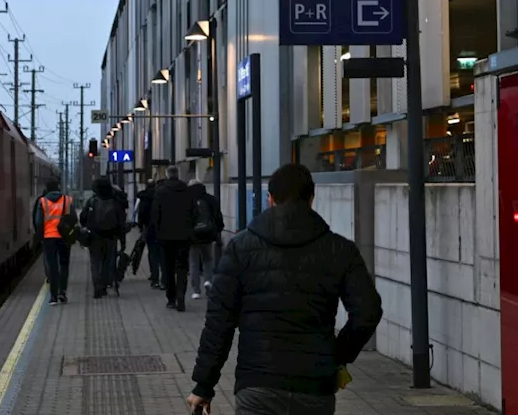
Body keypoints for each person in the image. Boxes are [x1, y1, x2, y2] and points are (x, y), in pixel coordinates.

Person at [187, 164, 383, 414]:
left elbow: (219, 321)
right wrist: (336, 355)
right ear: (312, 198)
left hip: (257, 384)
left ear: (270, 199)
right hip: (314, 385)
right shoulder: (339, 249)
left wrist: (204, 385)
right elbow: (368, 312)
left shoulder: (240, 248)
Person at [152, 167, 196, 311]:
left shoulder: (160, 192)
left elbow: (156, 215)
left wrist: (157, 232)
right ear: (178, 175)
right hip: (184, 236)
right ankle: (181, 296)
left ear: (166, 175)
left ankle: (171, 298)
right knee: (182, 267)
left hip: (166, 236)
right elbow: (194, 213)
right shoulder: (188, 191)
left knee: (168, 267)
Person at [80, 176, 124, 297]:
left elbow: (83, 218)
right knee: (107, 262)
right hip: (110, 237)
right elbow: (121, 222)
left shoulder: (92, 201)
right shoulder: (115, 202)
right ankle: (104, 286)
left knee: (95, 262)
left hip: (94, 237)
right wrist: (122, 240)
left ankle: (97, 286)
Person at [32, 179, 74, 305]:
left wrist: (39, 238)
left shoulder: (42, 201)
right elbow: (73, 219)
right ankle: (63, 293)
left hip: (49, 238)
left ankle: (53, 297)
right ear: (59, 187)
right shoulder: (66, 200)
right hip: (64, 238)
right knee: (64, 265)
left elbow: (39, 222)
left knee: (53, 267)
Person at [187, 177, 224, 300]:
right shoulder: (210, 198)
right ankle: (208, 281)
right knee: (208, 260)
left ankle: (196, 290)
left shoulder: (187, 199)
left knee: (193, 263)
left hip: (193, 237)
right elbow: (218, 216)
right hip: (207, 235)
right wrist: (218, 230)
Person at [136, 179, 164, 288]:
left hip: (149, 229)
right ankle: (164, 279)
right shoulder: (161, 197)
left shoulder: (144, 198)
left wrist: (140, 226)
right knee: (162, 253)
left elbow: (141, 214)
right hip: (162, 229)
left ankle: (154, 277)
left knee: (153, 253)